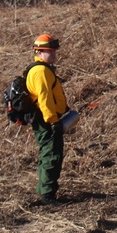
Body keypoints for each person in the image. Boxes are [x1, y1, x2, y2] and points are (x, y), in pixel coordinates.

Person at [26, 34, 70, 205]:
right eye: (50, 51)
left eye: (54, 51)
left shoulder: (42, 69)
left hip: (46, 119)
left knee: (48, 154)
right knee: (51, 155)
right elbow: (45, 99)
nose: (54, 54)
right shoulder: (41, 72)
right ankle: (47, 195)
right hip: (46, 120)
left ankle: (45, 191)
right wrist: (53, 121)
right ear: (39, 51)